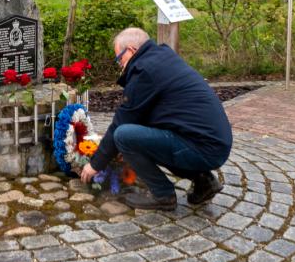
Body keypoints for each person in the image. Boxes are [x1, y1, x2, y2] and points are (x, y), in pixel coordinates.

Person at [80, 27, 232, 211]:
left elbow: (123, 121)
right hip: (214, 143)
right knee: (139, 138)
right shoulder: (161, 58)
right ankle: (204, 181)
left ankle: (163, 195)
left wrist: (95, 164)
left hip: (203, 147)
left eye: (119, 58)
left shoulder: (145, 71)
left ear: (131, 50)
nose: (120, 65)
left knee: (123, 135)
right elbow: (146, 115)